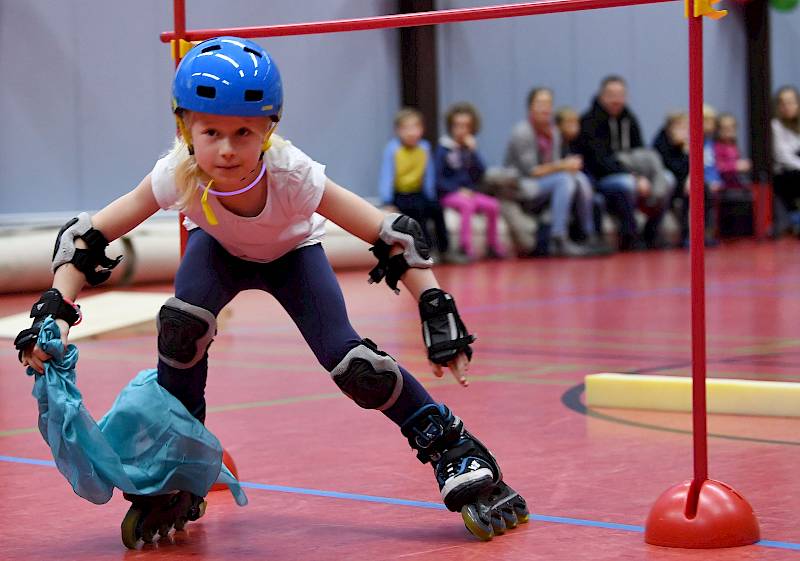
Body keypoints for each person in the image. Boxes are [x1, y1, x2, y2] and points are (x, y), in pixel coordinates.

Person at [14, 37, 527, 546]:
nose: (227, 149)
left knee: (354, 367)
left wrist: (436, 308)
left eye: (244, 132)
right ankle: (181, 466)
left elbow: (393, 235)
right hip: (216, 251)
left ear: (269, 129)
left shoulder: (293, 175)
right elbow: (86, 238)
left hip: (293, 257)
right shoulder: (177, 174)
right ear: (184, 127)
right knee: (180, 330)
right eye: (210, 131)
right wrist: (55, 310)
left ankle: (455, 448)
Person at [503, 87, 600, 257]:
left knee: (579, 178)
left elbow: (554, 166)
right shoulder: (522, 132)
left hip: (546, 184)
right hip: (521, 186)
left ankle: (588, 234)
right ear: (530, 107)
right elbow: (532, 172)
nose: (545, 108)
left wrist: (565, 167)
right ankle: (558, 238)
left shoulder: (553, 132)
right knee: (565, 179)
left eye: (548, 104)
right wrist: (563, 165)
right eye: (540, 103)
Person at [578, 76, 672, 250]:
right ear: (601, 96)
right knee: (626, 184)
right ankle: (630, 234)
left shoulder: (630, 119)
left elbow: (641, 152)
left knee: (667, 179)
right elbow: (598, 161)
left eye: (620, 95)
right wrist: (634, 178)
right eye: (611, 94)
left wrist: (643, 177)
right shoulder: (589, 122)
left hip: (634, 172)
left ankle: (651, 232)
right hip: (604, 177)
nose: (616, 99)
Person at [378, 108, 452, 261]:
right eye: (406, 128)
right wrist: (387, 201)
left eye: (415, 127)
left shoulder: (424, 148)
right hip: (401, 194)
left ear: (422, 129)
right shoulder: (393, 149)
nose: (411, 132)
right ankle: (425, 250)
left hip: (419, 192)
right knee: (418, 212)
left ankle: (445, 249)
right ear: (398, 131)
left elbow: (429, 174)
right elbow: (387, 175)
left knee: (436, 209)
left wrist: (430, 196)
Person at [435, 102, 506, 260]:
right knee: (467, 205)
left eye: (466, 126)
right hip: (449, 194)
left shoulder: (469, 149)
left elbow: (481, 173)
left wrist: (474, 152)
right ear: (451, 126)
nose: (461, 130)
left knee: (493, 205)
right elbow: (438, 179)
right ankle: (465, 247)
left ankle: (493, 245)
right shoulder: (444, 149)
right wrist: (456, 190)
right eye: (458, 125)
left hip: (470, 193)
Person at [772, 86, 800, 221]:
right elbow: (782, 156)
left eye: (790, 102)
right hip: (785, 174)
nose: (786, 107)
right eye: (782, 103)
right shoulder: (775, 126)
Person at [714, 113, 751, 190]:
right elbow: (717, 166)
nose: (729, 130)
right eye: (725, 127)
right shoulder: (717, 146)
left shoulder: (733, 146)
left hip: (736, 186)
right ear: (718, 129)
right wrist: (736, 166)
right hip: (723, 189)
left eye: (732, 127)